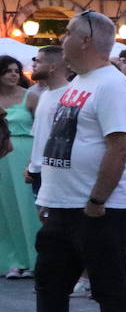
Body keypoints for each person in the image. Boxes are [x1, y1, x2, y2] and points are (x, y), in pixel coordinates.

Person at [0, 11, 126, 312]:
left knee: (108, 291)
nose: (62, 40)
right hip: (60, 207)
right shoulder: (77, 85)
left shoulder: (112, 84)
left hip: (99, 209)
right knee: (50, 287)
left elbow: (120, 144)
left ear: (87, 40)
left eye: (69, 33)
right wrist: (47, 197)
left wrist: (97, 200)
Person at [0, 55, 39, 278]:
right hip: (1, 155)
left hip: (25, 152)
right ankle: (13, 259)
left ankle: (33, 258)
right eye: (8, 71)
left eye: (16, 70)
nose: (14, 74)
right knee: (6, 210)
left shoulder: (30, 96)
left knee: (27, 207)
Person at [24, 46, 67, 202]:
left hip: (54, 175)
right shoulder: (44, 95)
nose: (34, 66)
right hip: (37, 172)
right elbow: (39, 134)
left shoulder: (68, 95)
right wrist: (30, 164)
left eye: (39, 61)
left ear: (52, 67)